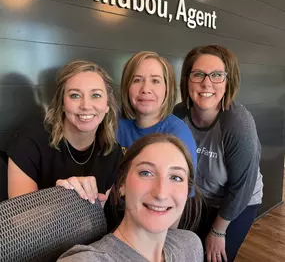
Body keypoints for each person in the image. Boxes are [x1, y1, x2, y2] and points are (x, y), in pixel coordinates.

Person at [173, 44, 263, 262]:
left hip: (238, 202)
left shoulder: (237, 122)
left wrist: (218, 230)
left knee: (214, 257)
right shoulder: (178, 114)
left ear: (228, 81)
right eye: (198, 74)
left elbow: (242, 186)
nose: (207, 83)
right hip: (198, 199)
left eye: (216, 75)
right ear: (187, 79)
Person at [58, 133, 204, 262]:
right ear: (122, 184)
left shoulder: (190, 246)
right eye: (146, 173)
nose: (161, 193)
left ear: (187, 192)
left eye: (176, 177)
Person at [7, 60, 123, 205]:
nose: (86, 106)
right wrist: (59, 199)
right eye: (75, 95)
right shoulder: (29, 143)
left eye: (96, 95)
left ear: (107, 105)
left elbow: (98, 217)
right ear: (62, 104)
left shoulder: (112, 152)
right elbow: (21, 219)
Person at [117, 51, 197, 168]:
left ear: (167, 88)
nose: (145, 89)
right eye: (137, 80)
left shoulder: (178, 135)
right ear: (127, 86)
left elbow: (184, 185)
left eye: (155, 81)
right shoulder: (115, 124)